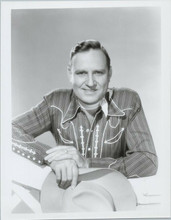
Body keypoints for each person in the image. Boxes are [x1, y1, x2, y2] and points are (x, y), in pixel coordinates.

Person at [12, 39, 158, 190]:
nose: (90, 82)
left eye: (98, 73)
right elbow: (7, 130)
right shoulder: (55, 102)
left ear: (110, 74)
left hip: (114, 197)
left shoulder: (128, 101)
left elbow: (147, 161)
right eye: (82, 73)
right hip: (67, 197)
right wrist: (53, 159)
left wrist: (88, 163)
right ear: (70, 74)